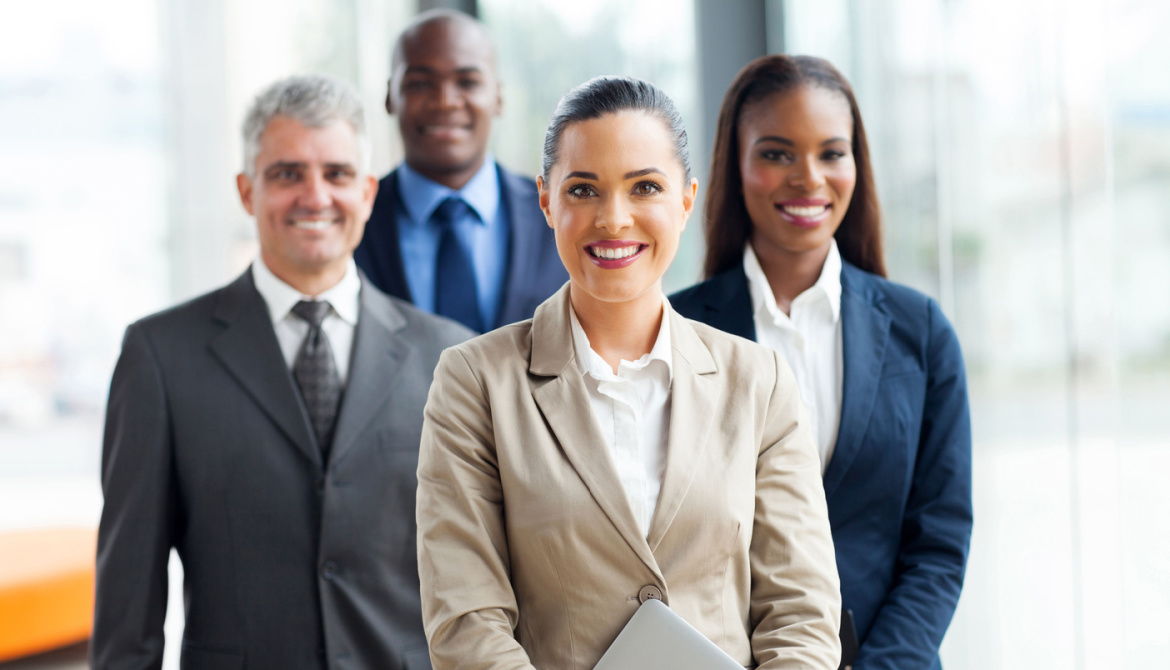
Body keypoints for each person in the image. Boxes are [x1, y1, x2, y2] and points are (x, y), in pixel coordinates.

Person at [416, 75, 842, 670]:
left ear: (686, 199)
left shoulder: (759, 380)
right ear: (546, 200)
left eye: (645, 187)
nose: (614, 219)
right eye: (584, 190)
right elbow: (466, 621)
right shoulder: (475, 383)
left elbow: (801, 612)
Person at [92, 74, 472, 670]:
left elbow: (478, 582)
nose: (315, 196)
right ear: (247, 191)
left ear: (368, 192)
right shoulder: (160, 356)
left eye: (337, 174)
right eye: (287, 173)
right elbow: (127, 600)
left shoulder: (450, 358)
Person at [670, 55, 973, 670]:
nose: (808, 177)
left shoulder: (921, 332)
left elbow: (938, 543)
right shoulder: (675, 332)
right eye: (777, 153)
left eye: (832, 154)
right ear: (737, 167)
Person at [354, 9, 567, 333]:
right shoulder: (352, 222)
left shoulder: (560, 215)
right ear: (389, 96)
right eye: (421, 83)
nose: (445, 101)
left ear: (498, 96)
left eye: (467, 81)